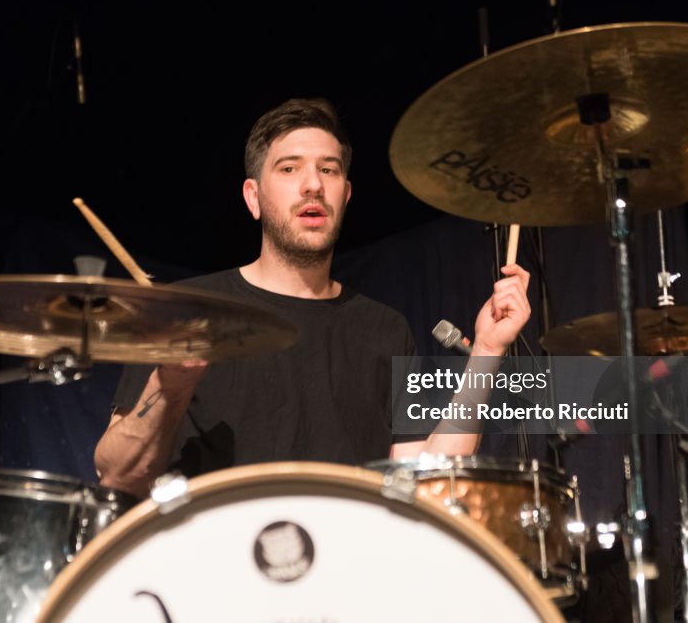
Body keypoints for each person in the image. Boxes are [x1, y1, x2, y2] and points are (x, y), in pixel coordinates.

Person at [94, 98, 530, 496]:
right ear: (253, 198)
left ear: (346, 194)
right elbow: (117, 473)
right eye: (288, 168)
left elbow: (427, 483)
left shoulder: (384, 329)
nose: (312, 185)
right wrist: (168, 385)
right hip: (214, 567)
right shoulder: (188, 310)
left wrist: (487, 352)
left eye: (329, 169)